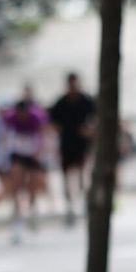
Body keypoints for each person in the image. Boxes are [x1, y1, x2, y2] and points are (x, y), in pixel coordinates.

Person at [0, 86, 51, 244]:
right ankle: (16, 216)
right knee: (16, 184)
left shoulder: (36, 118)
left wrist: (40, 152)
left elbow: (43, 133)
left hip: (32, 154)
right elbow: (3, 129)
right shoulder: (11, 117)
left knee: (33, 184)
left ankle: (32, 210)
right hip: (17, 154)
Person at [46, 72, 96, 227]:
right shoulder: (61, 102)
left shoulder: (87, 101)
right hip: (66, 143)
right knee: (66, 176)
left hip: (82, 144)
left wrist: (89, 130)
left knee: (83, 175)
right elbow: (51, 121)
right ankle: (70, 206)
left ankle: (82, 203)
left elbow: (97, 118)